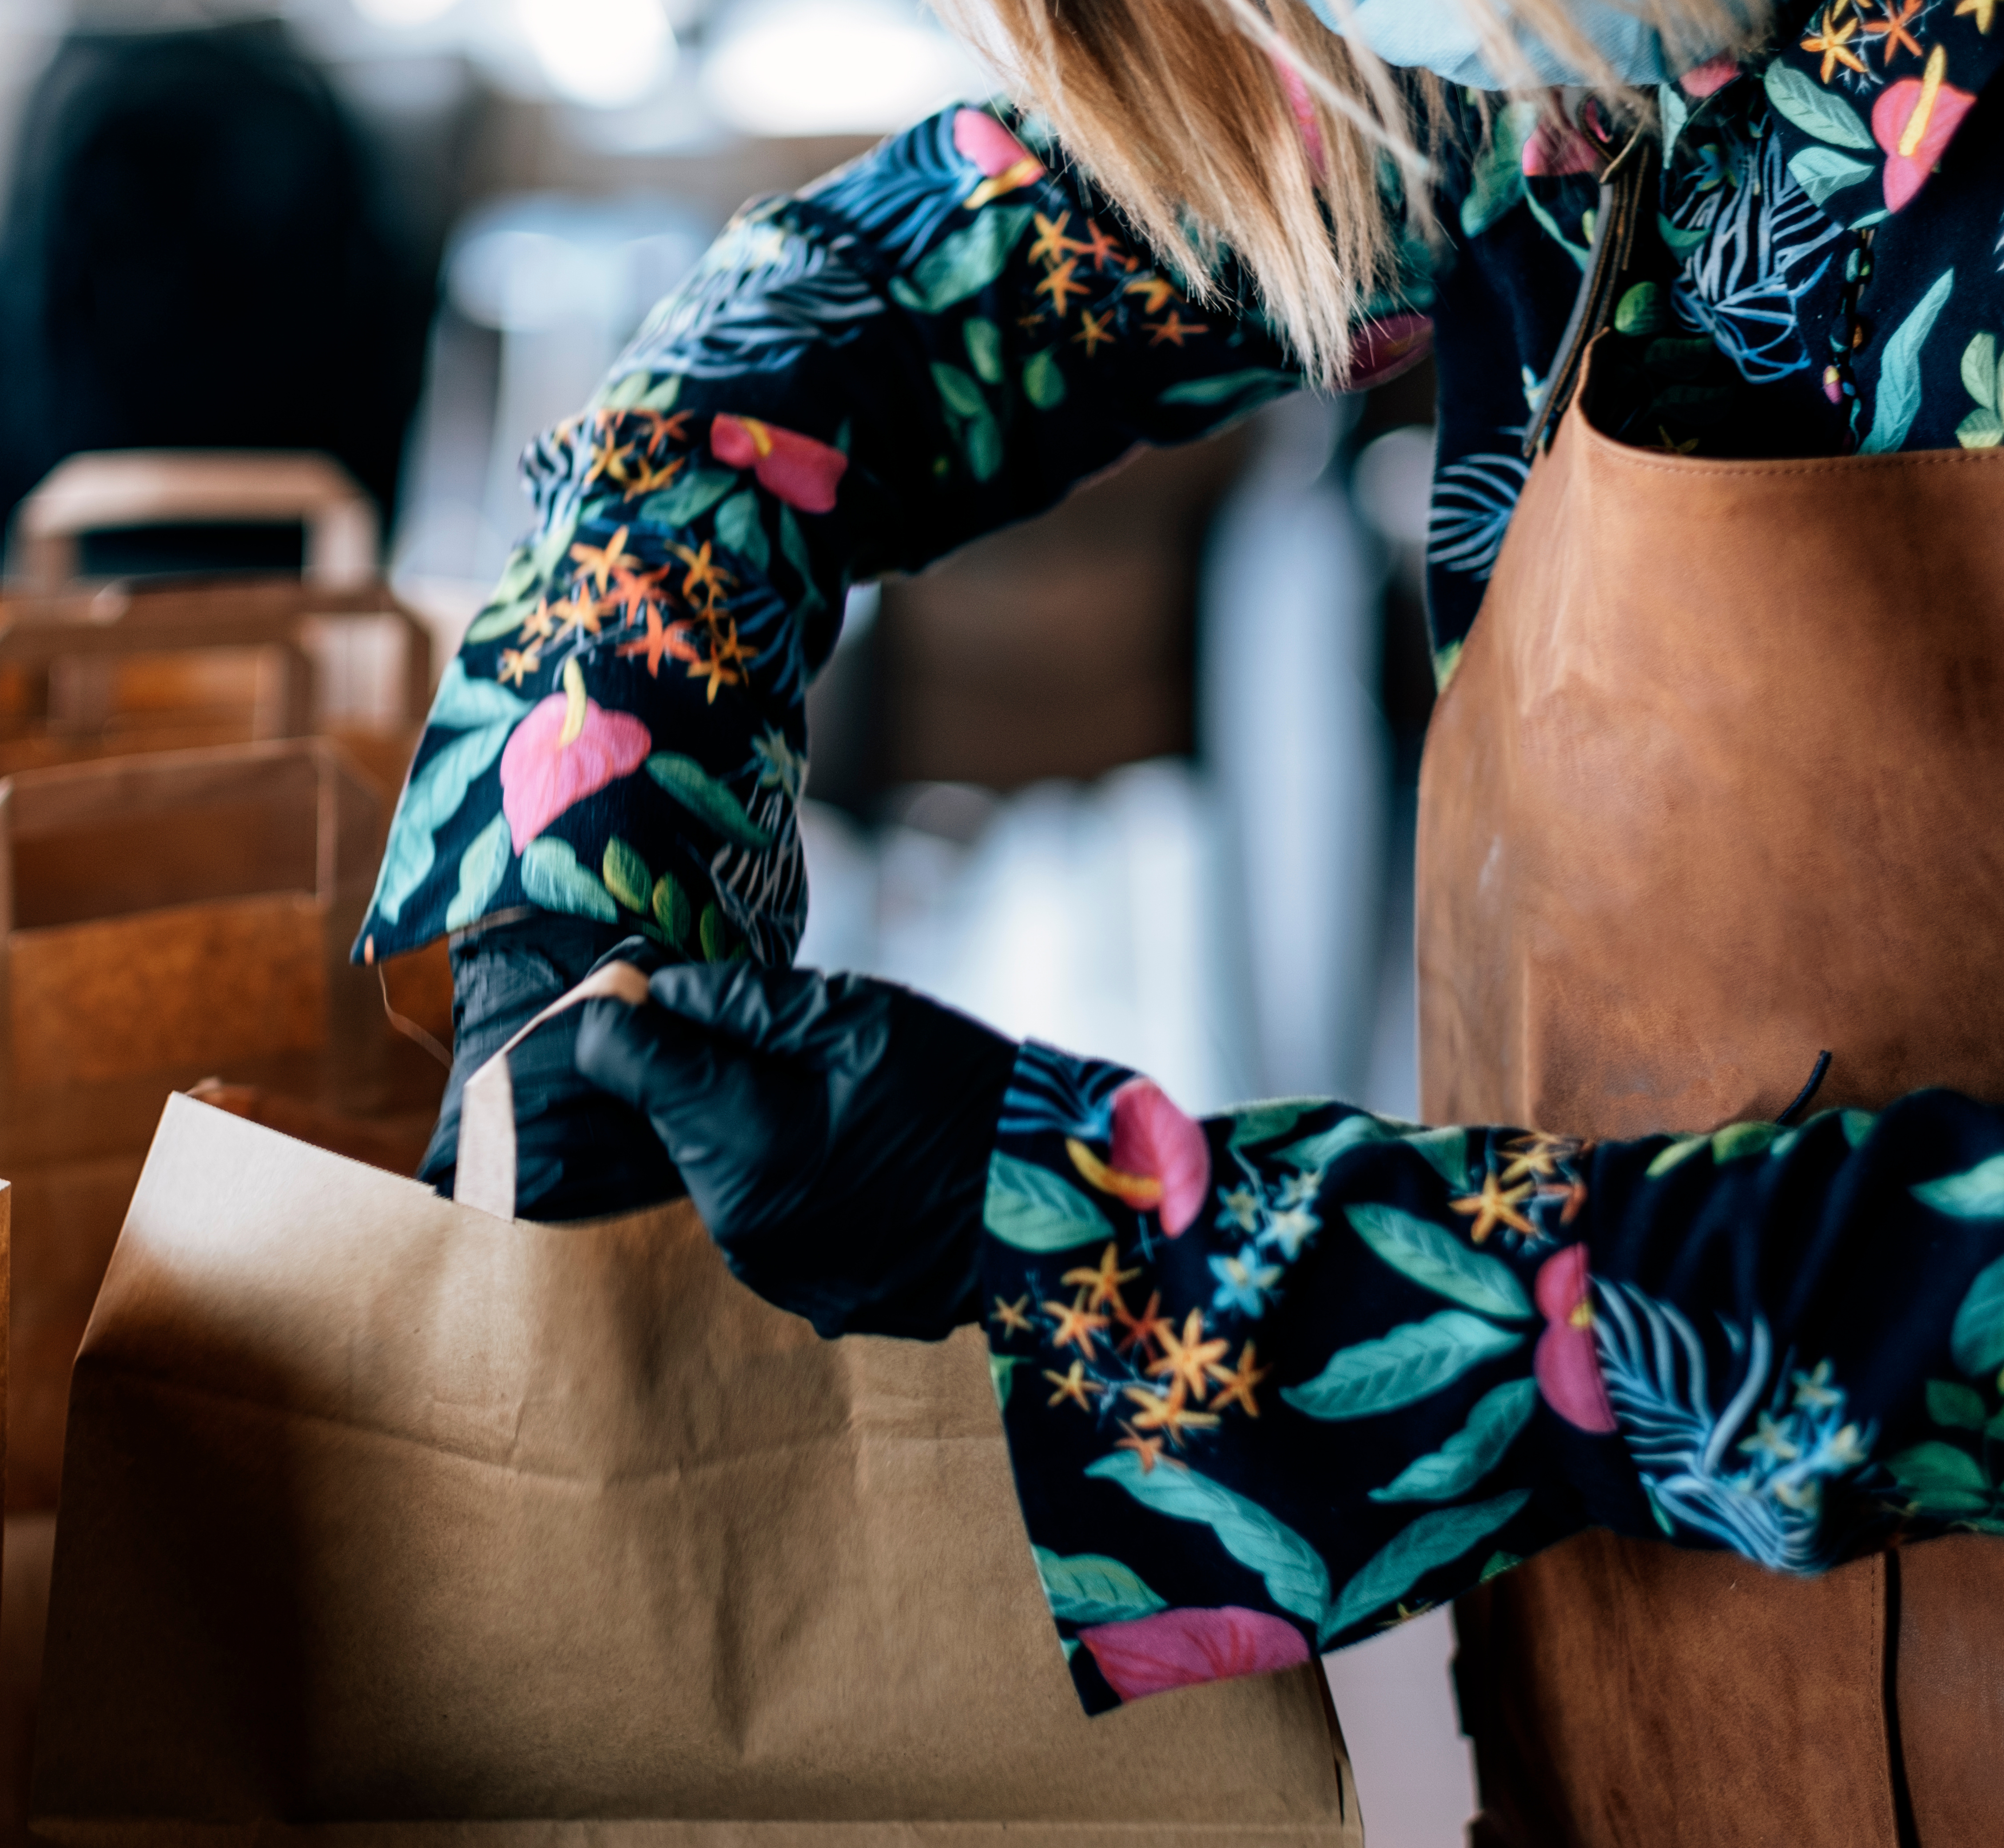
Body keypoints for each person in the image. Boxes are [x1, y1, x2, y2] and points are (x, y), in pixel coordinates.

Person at [364, 3, 2004, 1842]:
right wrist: (574, 890)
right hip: (1636, 1740)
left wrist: (1202, 1287)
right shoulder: (1554, 89)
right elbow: (800, 348)